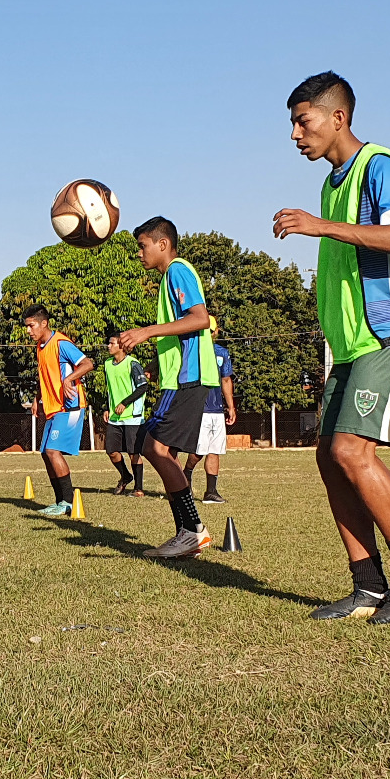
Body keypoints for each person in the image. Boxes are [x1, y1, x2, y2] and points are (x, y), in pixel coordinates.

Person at [274, 70, 390, 625]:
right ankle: (368, 585)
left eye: (303, 121)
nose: (296, 134)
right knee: (329, 457)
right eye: (293, 125)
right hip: (350, 346)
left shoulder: (380, 166)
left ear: (338, 117)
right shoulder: (332, 183)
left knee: (352, 451)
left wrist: (321, 228)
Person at [116, 217, 218, 559]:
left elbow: (200, 318)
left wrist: (147, 331)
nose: (140, 254)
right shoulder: (168, 278)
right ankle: (189, 531)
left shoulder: (177, 270)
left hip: (189, 377)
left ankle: (192, 531)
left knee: (153, 447)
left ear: (163, 244)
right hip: (181, 378)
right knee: (157, 449)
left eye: (143, 246)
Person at [25, 305, 94, 517]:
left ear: (44, 323)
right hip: (53, 407)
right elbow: (44, 376)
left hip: (70, 406)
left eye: (31, 326)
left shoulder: (61, 343)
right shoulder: (40, 346)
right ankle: (59, 501)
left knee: (53, 451)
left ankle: (69, 502)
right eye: (26, 327)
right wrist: (37, 398)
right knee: (46, 453)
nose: (28, 331)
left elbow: (87, 364)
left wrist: (69, 379)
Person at [183, 318, 236, 504]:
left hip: (216, 409)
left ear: (215, 332)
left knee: (215, 450)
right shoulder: (192, 353)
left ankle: (211, 492)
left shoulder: (222, 353)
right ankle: (186, 476)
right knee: (198, 451)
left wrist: (230, 406)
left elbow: (226, 380)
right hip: (199, 409)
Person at [102, 335, 148, 496]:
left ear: (121, 346)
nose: (108, 346)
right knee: (112, 451)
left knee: (133, 452)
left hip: (132, 416)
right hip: (115, 417)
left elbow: (142, 387)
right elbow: (109, 389)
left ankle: (139, 488)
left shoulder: (133, 364)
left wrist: (125, 403)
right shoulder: (107, 364)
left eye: (111, 343)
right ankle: (126, 476)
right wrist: (107, 407)